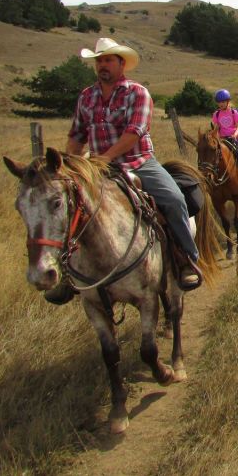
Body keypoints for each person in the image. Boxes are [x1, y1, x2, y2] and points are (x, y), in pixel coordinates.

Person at [67, 37, 200, 295]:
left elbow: (134, 132)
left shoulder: (137, 93)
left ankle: (187, 258)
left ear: (121, 63)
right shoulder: (87, 97)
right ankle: (65, 271)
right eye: (99, 61)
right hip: (96, 167)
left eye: (108, 60)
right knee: (65, 206)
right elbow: (76, 135)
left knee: (173, 200)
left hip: (138, 163)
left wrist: (105, 158)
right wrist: (69, 164)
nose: (102, 65)